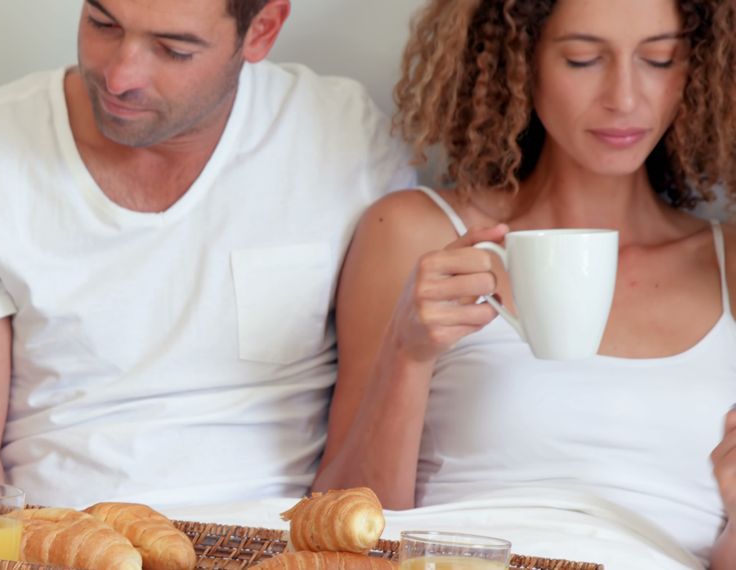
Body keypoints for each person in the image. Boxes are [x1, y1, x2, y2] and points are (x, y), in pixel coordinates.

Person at [0, 0, 415, 511]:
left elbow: (363, 489)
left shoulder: (348, 141)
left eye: (174, 49)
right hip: (61, 543)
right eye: (102, 23)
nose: (119, 76)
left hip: (281, 547)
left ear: (262, 30)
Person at [314, 0, 736, 567]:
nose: (626, 98)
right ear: (517, 62)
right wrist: (406, 355)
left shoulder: (727, 263)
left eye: (660, 60)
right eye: (583, 59)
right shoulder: (418, 233)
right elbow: (341, 528)